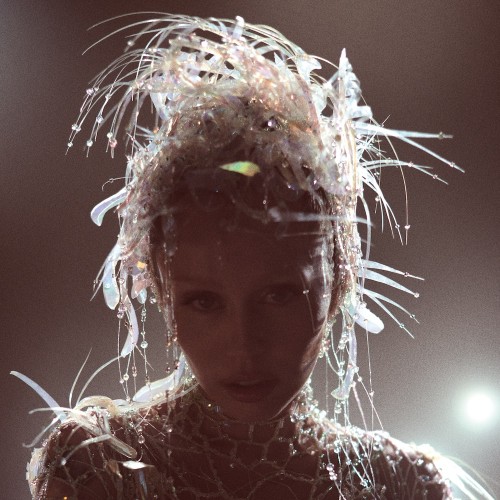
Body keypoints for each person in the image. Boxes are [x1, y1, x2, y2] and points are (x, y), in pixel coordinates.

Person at [18, 14, 493, 500]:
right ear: (161, 290)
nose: (244, 347)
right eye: (204, 302)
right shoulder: (98, 463)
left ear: (339, 280)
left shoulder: (403, 483)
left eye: (279, 295)